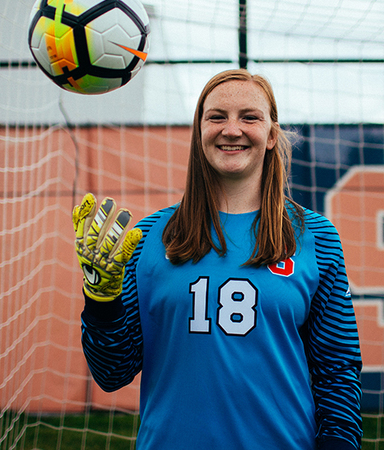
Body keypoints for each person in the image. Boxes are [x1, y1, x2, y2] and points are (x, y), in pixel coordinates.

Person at [74, 68, 363, 449]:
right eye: (216, 117)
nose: (232, 129)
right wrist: (101, 302)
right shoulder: (147, 237)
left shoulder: (315, 236)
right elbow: (112, 373)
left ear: (272, 135)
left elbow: (337, 368)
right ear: (198, 133)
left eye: (249, 117)